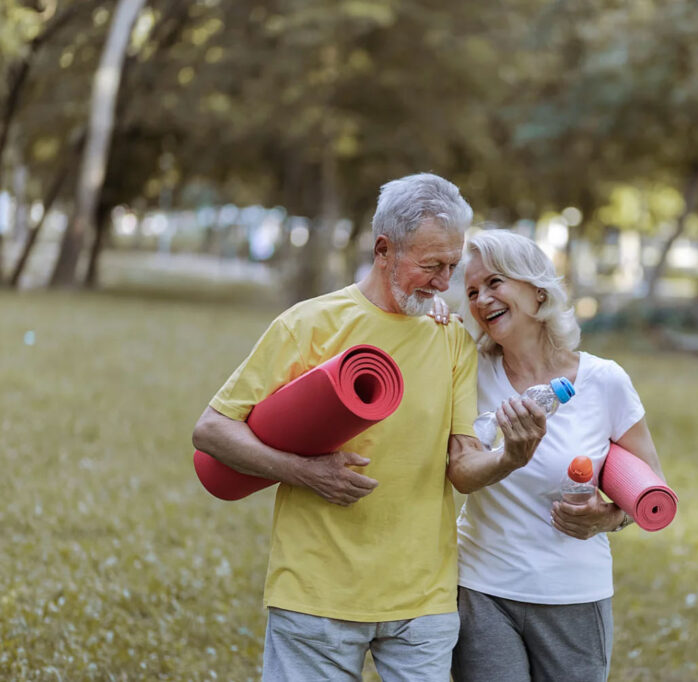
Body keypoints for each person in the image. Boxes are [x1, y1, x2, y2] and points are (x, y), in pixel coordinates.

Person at [191, 174, 546, 682]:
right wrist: (305, 472)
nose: (445, 283)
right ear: (384, 249)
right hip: (316, 595)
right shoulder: (308, 324)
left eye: (452, 266)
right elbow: (211, 431)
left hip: (422, 602)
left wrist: (510, 456)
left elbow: (462, 467)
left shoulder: (452, 341)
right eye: (431, 266)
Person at [438, 229, 667, 682]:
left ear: (536, 288)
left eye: (495, 282)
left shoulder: (605, 381)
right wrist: (510, 456)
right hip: (484, 590)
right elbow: (459, 471)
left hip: (574, 595)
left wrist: (605, 518)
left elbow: (649, 489)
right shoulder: (468, 369)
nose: (482, 299)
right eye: (471, 291)